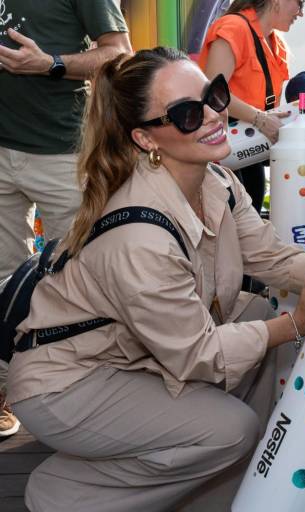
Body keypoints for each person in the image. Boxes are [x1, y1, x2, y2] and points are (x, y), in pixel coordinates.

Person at [6, 47, 305, 512]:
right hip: (68, 383)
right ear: (145, 139)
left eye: (214, 96)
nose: (215, 115)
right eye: (187, 114)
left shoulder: (215, 181)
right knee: (230, 429)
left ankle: (222, 498)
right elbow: (199, 355)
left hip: (133, 358)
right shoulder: (140, 235)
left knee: (254, 311)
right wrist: (295, 324)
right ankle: (68, 492)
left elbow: (272, 256)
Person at [0, 0, 131, 439]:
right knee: (1, 277)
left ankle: (77, 397)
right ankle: (4, 389)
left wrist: (49, 64)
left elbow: (119, 53)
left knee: (77, 278)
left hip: (62, 153)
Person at [198, 0, 305, 212]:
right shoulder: (234, 27)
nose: (300, 13)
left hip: (249, 147)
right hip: (220, 144)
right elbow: (213, 91)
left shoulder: (277, 43)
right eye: (300, 3)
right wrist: (259, 118)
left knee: (251, 213)